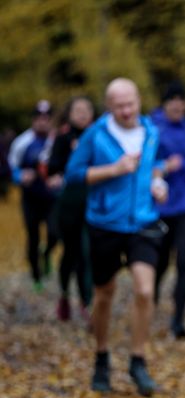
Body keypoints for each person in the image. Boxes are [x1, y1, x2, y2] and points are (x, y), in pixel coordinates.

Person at [65, 78, 168, 397]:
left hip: (142, 224)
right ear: (109, 106)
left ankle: (138, 360)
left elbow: (156, 166)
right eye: (119, 106)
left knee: (144, 290)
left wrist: (159, 184)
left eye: (131, 104)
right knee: (105, 293)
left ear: (139, 100)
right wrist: (114, 169)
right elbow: (73, 175)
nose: (126, 111)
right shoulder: (96, 134)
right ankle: (101, 356)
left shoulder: (151, 131)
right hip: (104, 224)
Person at [151, 81, 185, 339]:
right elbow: (142, 163)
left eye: (181, 99)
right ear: (165, 103)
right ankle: (148, 306)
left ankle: (178, 320)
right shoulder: (151, 128)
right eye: (172, 99)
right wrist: (164, 166)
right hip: (160, 206)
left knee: (183, 261)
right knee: (160, 262)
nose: (176, 104)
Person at [48, 96, 95, 321]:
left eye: (86, 109)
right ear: (70, 114)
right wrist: (57, 176)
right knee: (70, 253)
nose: (83, 113)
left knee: (87, 253)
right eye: (78, 109)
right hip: (69, 204)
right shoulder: (63, 138)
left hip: (93, 203)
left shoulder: (99, 138)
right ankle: (65, 294)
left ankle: (87, 301)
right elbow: (52, 169)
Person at [8, 100, 58, 292]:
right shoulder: (22, 142)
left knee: (55, 232)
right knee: (33, 236)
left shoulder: (55, 141)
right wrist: (20, 176)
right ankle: (36, 276)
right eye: (39, 118)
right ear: (33, 120)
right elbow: (10, 168)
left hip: (52, 197)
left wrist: (59, 178)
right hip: (31, 198)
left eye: (46, 118)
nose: (42, 122)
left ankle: (46, 254)